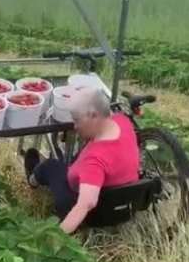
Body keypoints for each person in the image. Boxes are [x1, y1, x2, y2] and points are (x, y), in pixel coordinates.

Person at [24, 87, 139, 234]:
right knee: (76, 157)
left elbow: (86, 203)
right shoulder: (122, 121)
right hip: (123, 194)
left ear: (94, 115)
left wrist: (57, 238)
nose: (75, 126)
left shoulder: (94, 160)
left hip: (82, 201)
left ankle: (33, 179)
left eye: (77, 120)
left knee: (50, 166)